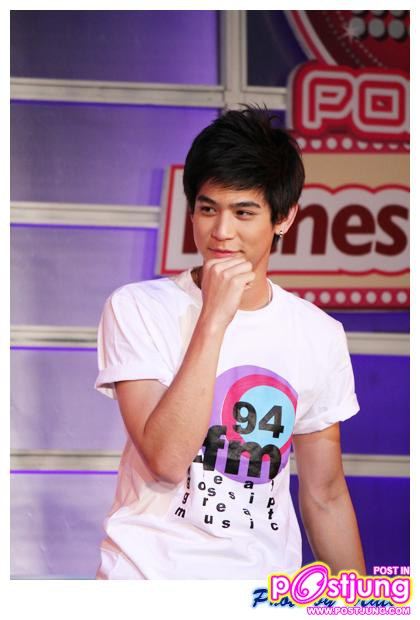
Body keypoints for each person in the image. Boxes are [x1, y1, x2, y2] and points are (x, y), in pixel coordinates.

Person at [94, 105, 366, 580]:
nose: (221, 232)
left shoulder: (318, 334)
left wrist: (363, 605)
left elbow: (325, 494)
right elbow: (166, 460)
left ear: (284, 217)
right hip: (146, 585)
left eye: (243, 212)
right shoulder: (138, 308)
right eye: (207, 209)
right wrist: (215, 318)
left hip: (262, 591)